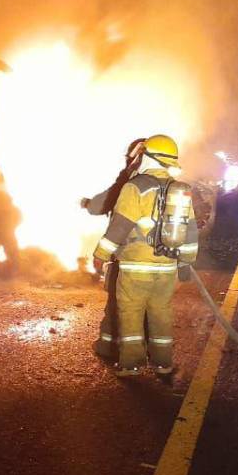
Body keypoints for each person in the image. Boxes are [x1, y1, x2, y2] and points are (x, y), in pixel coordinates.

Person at [92, 134, 199, 380]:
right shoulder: (179, 191)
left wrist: (100, 254)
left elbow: (119, 227)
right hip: (167, 268)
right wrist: (185, 264)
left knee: (130, 313)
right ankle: (163, 363)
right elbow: (191, 232)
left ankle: (131, 365)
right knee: (161, 313)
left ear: (147, 157)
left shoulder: (135, 186)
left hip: (135, 267)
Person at [82, 138, 146, 360]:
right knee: (150, 307)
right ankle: (148, 353)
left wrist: (87, 203)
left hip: (128, 257)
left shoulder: (128, 183)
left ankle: (109, 348)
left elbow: (103, 206)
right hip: (158, 261)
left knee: (116, 304)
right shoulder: (168, 186)